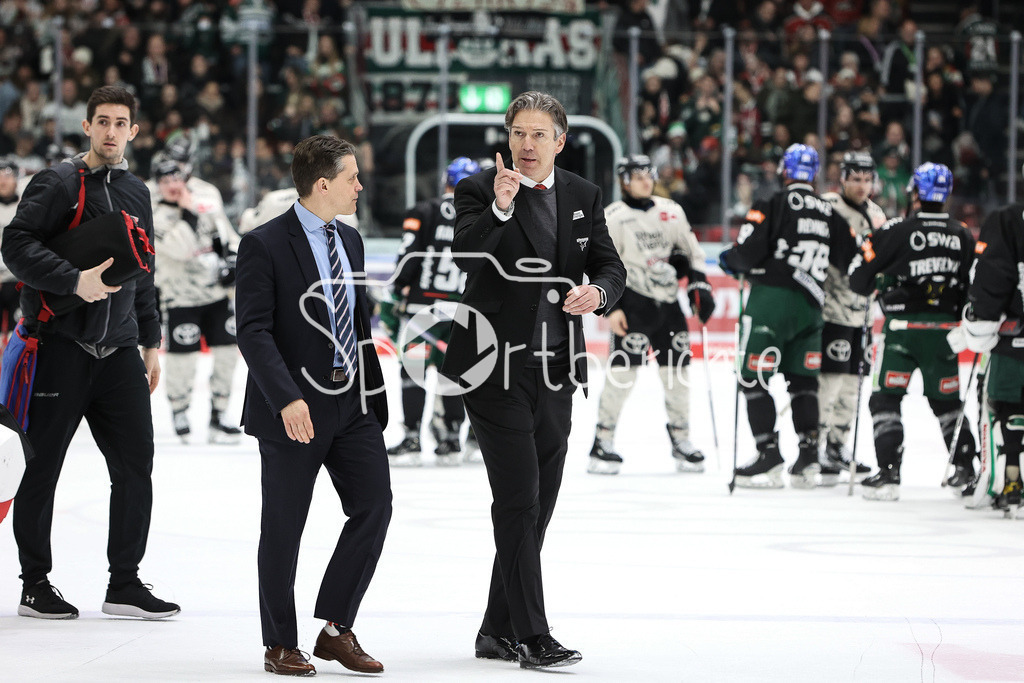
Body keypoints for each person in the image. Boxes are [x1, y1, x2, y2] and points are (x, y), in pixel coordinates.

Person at [441, 91, 625, 669]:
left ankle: (495, 629)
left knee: (537, 504)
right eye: (518, 132)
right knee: (518, 499)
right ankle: (532, 633)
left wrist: (597, 293)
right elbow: (467, 260)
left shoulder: (582, 194)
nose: (526, 143)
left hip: (555, 369)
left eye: (538, 134)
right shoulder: (478, 188)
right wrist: (499, 209)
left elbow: (610, 266)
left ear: (559, 140)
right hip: (492, 368)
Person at [1, 85, 179, 619]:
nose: (110, 131)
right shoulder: (56, 181)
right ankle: (35, 584)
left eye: (120, 122)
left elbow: (142, 271)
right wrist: (72, 281)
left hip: (120, 350)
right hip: (59, 347)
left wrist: (151, 339)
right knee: (42, 468)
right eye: (101, 121)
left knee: (135, 467)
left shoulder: (136, 191)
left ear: (133, 131)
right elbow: (15, 244)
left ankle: (124, 583)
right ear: (86, 126)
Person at [235, 134, 391, 676]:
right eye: (352, 177)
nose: (360, 186)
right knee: (283, 527)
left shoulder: (350, 241)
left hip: (352, 404)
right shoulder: (264, 243)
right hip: (292, 411)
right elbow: (253, 331)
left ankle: (334, 629)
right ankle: (279, 642)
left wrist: (372, 395)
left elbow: (360, 321)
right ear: (322, 184)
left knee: (374, 505)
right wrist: (288, 398)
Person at [719, 143, 857, 489]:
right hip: (812, 305)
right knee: (804, 380)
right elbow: (854, 261)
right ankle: (809, 457)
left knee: (753, 376)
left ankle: (768, 455)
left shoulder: (774, 203)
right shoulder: (829, 212)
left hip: (772, 300)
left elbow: (747, 252)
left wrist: (729, 260)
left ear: (785, 171)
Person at [849, 162, 979, 501]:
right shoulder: (963, 233)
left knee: (886, 398)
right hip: (945, 333)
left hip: (903, 330)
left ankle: (889, 474)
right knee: (947, 401)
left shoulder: (897, 229)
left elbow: (859, 279)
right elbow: (975, 284)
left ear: (916, 193)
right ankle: (966, 468)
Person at [588, 153, 715, 475]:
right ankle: (602, 441)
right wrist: (611, 308)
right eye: (637, 174)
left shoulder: (671, 212)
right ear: (624, 181)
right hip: (633, 304)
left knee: (678, 375)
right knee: (622, 376)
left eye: (649, 173)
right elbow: (601, 265)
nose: (646, 179)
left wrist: (699, 285)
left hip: (669, 305)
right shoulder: (613, 217)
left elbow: (692, 254)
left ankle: (681, 439)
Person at [382, 156, 479, 466]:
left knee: (413, 374)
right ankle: (452, 439)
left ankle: (412, 438)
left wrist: (399, 288)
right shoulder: (482, 216)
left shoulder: (423, 211)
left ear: (445, 182)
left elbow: (409, 256)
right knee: (454, 376)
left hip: (421, 311)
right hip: (460, 312)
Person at [151, 158, 242, 444]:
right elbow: (180, 249)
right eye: (165, 181)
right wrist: (188, 213)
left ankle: (219, 414)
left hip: (216, 295)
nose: (172, 185)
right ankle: (179, 409)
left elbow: (227, 236)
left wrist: (233, 261)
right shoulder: (154, 215)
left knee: (228, 353)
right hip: (180, 297)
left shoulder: (207, 201)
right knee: (183, 358)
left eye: (176, 178)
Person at [952, 192, 1024, 514]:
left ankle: (1009, 479)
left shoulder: (1008, 220)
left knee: (1004, 407)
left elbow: (992, 278)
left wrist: (979, 324)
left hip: (1014, 344)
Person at [818, 152, 888, 480]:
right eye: (855, 178)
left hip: (863, 313)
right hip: (831, 309)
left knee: (853, 383)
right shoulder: (828, 206)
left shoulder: (877, 214)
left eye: (867, 179)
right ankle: (814, 445)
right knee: (830, 381)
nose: (862, 185)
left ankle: (837, 443)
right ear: (843, 178)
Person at [0, 158, 21, 343]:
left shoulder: (25, 208)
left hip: (19, 279)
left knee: (18, 334)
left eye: (7, 175)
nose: (2, 180)